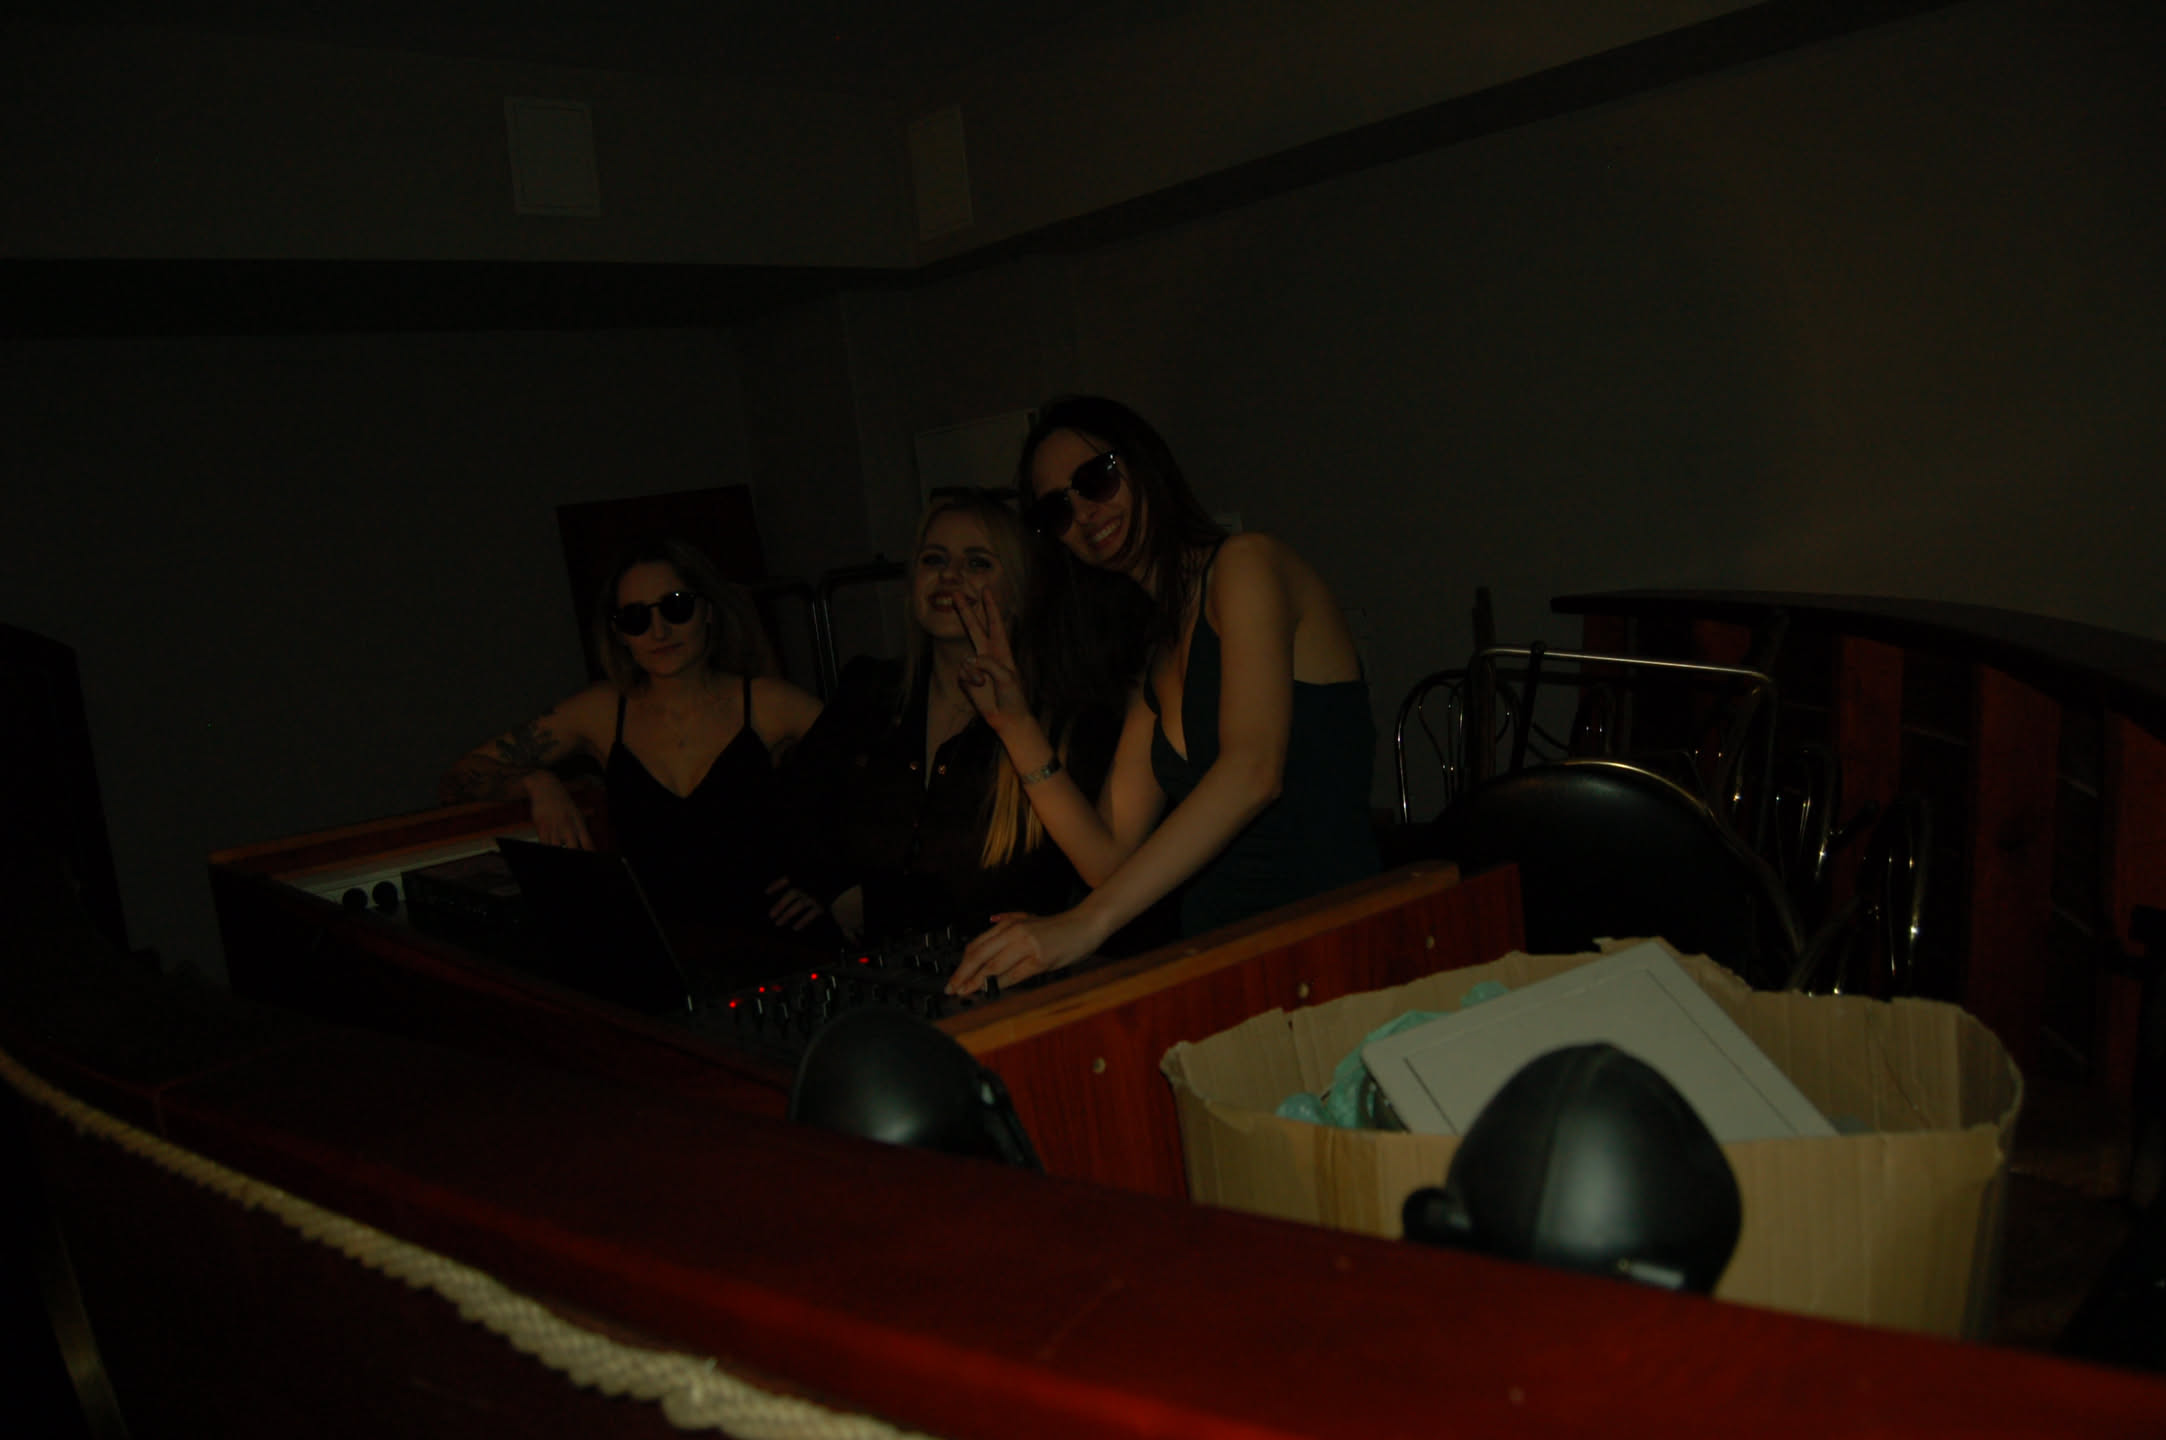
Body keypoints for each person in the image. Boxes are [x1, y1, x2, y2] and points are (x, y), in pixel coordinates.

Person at [947, 396, 1380, 994]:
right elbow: (1107, 860)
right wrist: (1016, 726)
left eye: (1096, 478)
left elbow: (1253, 771)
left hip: (1335, 952)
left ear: (1143, 462)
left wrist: (1083, 925)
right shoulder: (1157, 656)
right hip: (1227, 963)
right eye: (1057, 510)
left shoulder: (1246, 564)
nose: (1084, 512)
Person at [439, 537, 827, 945]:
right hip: (663, 953)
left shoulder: (768, 703)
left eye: (676, 606)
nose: (659, 631)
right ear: (620, 633)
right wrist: (537, 783)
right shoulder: (603, 711)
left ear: (708, 610)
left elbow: (870, 770)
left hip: (777, 946)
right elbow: (459, 777)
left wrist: (830, 878)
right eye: (635, 617)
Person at [784, 494, 1124, 947]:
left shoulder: (1066, 717)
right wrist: (828, 889)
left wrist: (880, 904)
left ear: (1021, 591)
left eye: (977, 563)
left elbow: (1028, 888)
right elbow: (796, 817)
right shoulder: (869, 691)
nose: (949, 576)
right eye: (934, 559)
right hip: (871, 969)